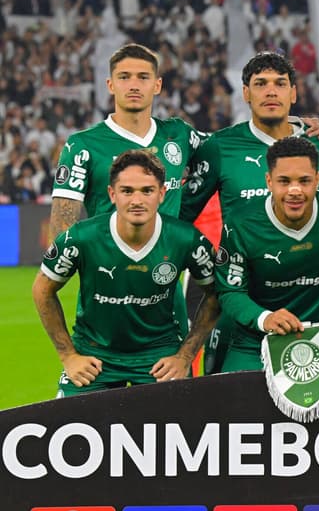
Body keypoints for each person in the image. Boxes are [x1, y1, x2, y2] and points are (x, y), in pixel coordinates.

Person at [178, 51, 319, 374]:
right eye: (260, 84)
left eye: (280, 84)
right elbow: (181, 216)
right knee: (228, 401)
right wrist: (209, 258)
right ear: (246, 93)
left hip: (309, 297)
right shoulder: (219, 147)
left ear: (294, 93)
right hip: (239, 299)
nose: (271, 92)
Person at [33, 149, 219, 397]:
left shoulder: (186, 239)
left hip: (160, 358)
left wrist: (185, 356)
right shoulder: (81, 238)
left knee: (181, 431)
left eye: (147, 191)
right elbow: (42, 290)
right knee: (67, 428)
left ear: (162, 194)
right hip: (94, 356)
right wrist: (68, 356)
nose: (137, 200)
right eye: (127, 191)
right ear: (112, 194)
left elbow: (217, 292)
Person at [214, 136, 319, 372]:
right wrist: (265, 318)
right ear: (269, 181)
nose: (295, 190)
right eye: (284, 181)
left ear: (317, 180)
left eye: (304, 181)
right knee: (237, 407)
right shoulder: (241, 224)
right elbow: (230, 290)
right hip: (255, 342)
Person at [49, 43, 205, 239]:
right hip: (105, 266)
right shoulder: (83, 145)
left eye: (143, 77)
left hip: (165, 267)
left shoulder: (179, 134)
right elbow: (61, 225)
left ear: (157, 85)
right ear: (110, 85)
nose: (133, 85)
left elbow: (227, 150)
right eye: (124, 77)